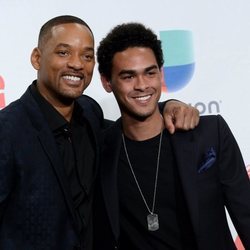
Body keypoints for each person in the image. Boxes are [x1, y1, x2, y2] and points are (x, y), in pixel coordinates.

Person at [0, 15, 199, 250]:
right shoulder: (8, 131)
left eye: (86, 56)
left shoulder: (89, 112)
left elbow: (132, 124)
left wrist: (168, 105)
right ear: (37, 58)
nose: (76, 64)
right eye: (63, 52)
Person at [94, 22, 250, 250]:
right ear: (107, 82)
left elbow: (245, 213)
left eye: (150, 73)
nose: (142, 85)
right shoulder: (99, 149)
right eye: (128, 77)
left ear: (160, 74)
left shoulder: (209, 132)